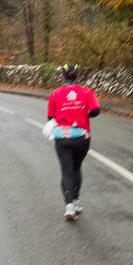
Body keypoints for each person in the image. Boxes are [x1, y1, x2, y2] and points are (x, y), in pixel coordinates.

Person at [45, 63, 101, 221]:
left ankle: (69, 206)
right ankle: (76, 201)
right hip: (81, 137)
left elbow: (51, 117)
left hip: (62, 137)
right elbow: (96, 111)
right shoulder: (87, 92)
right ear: (78, 75)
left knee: (66, 171)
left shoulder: (55, 93)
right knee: (76, 168)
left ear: (62, 76)